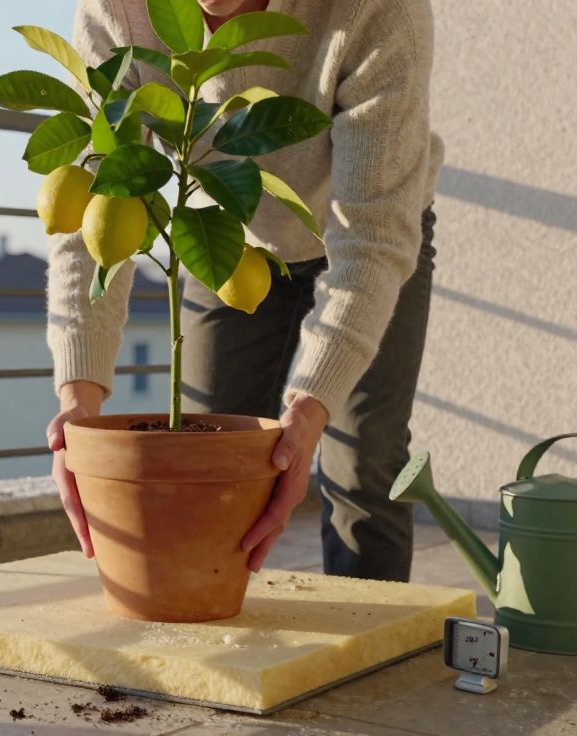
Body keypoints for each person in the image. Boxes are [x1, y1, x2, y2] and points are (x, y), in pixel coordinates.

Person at [45, 0, 441, 582]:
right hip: (225, 241)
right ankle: (203, 628)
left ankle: (362, 652)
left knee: (363, 468)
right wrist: (78, 397)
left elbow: (374, 238)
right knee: (204, 462)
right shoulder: (119, 8)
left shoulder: (376, 9)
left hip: (367, 235)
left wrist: (307, 414)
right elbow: (95, 207)